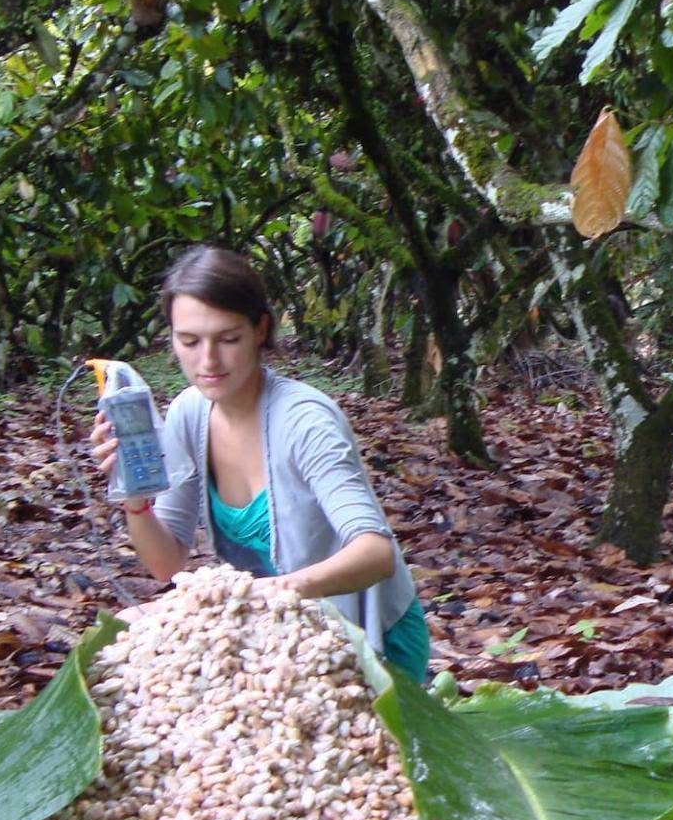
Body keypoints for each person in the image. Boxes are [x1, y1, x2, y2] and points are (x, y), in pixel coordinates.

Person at [91, 245, 430, 682]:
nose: (208, 361)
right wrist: (133, 496)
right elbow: (166, 564)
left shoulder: (306, 420)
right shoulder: (188, 413)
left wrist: (246, 597)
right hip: (284, 630)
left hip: (368, 634)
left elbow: (375, 553)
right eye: (189, 341)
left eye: (228, 339)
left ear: (260, 329)